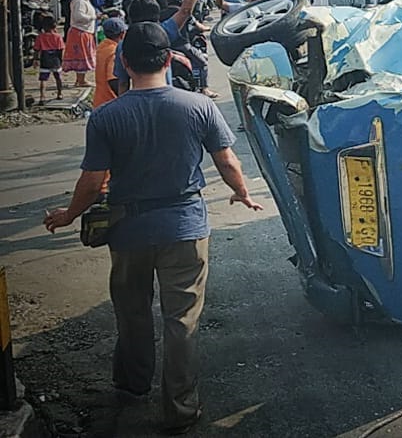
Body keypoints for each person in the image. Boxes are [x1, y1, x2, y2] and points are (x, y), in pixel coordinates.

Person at [43, 21, 262, 435]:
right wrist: (242, 192)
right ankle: (180, 409)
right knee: (182, 322)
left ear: (124, 63)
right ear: (169, 59)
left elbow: (92, 181)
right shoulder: (198, 105)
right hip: (185, 227)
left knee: (133, 312)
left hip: (129, 231)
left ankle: (132, 384)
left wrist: (69, 215)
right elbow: (227, 160)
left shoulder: (106, 115)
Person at [116, 0, 205, 95]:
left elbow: (123, 83)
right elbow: (185, 11)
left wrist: (122, 105)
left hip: (135, 104)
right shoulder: (162, 32)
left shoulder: (122, 44)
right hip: (166, 98)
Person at [63, 0, 99, 88]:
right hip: (80, 32)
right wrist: (94, 17)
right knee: (81, 57)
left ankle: (80, 79)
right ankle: (81, 80)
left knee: (83, 56)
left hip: (85, 32)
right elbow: (78, 17)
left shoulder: (86, 1)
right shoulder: (79, 1)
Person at [94, 18, 126, 107]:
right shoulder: (114, 52)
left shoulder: (102, 47)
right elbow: (113, 80)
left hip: (99, 99)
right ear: (122, 34)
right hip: (110, 101)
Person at [33, 14, 64, 103]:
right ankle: (59, 93)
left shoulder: (40, 37)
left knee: (43, 79)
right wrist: (61, 61)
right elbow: (61, 49)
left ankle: (42, 96)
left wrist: (36, 60)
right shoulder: (58, 37)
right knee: (58, 77)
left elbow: (36, 49)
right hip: (55, 58)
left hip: (44, 57)